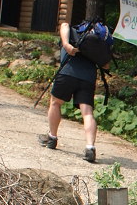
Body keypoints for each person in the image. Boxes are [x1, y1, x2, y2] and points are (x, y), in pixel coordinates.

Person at [38, 19, 110, 163]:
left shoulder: (72, 32)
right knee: (87, 113)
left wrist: (66, 44)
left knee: (55, 103)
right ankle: (90, 148)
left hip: (67, 72)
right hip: (88, 78)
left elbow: (64, 24)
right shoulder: (98, 43)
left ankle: (52, 137)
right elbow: (106, 66)